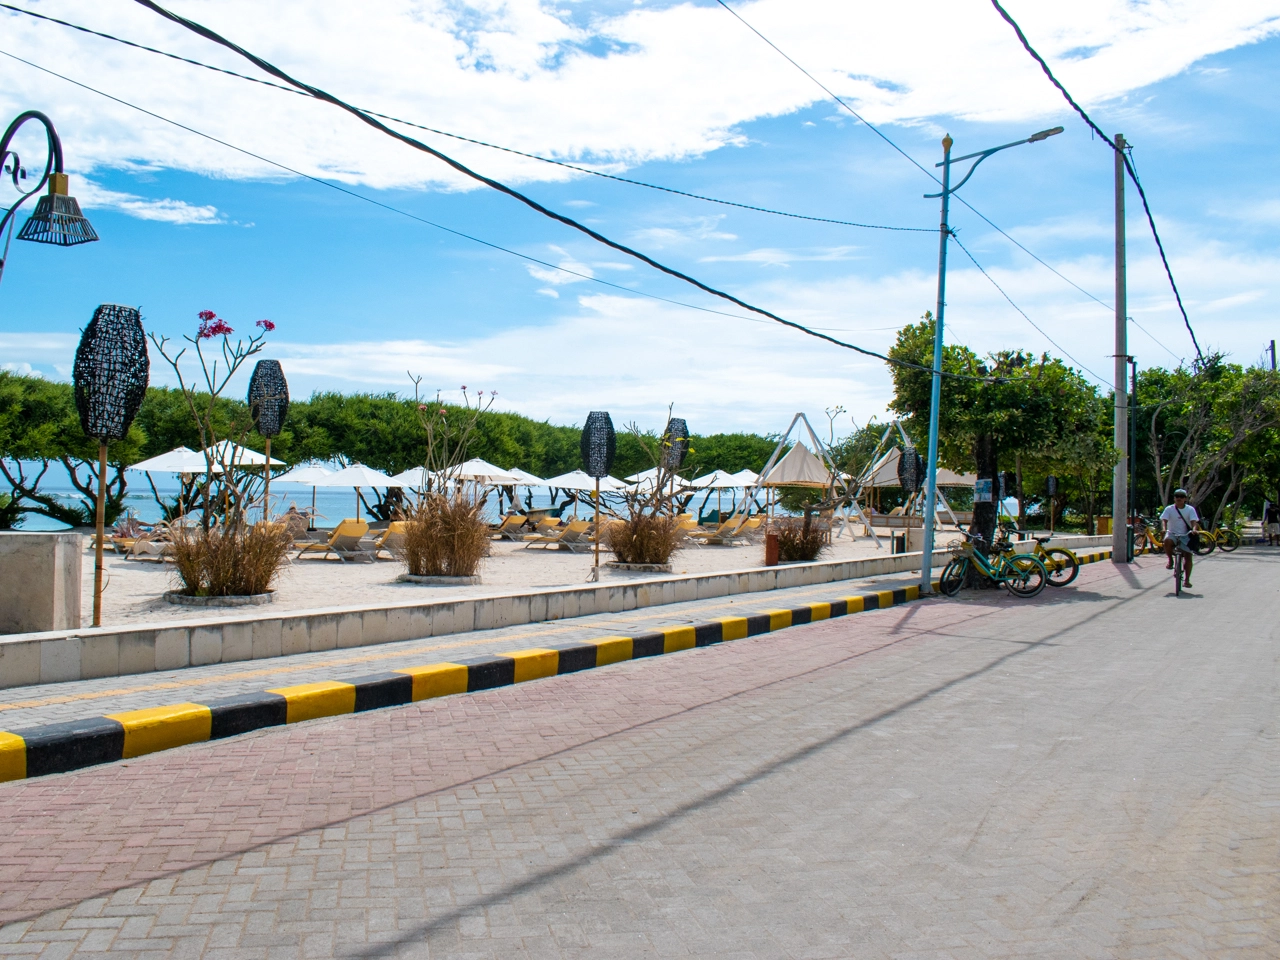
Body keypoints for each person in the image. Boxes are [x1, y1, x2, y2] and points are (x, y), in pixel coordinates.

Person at [1161, 488, 1200, 588]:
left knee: (1188, 556)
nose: (1179, 498)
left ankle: (1187, 580)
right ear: (1174, 498)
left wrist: (1194, 529)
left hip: (1186, 534)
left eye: (1181, 496)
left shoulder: (1190, 509)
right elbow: (1164, 520)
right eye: (1177, 496)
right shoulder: (1169, 509)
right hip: (1172, 533)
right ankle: (1170, 560)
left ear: (1185, 499)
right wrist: (1164, 529)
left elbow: (1194, 522)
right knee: (1167, 541)